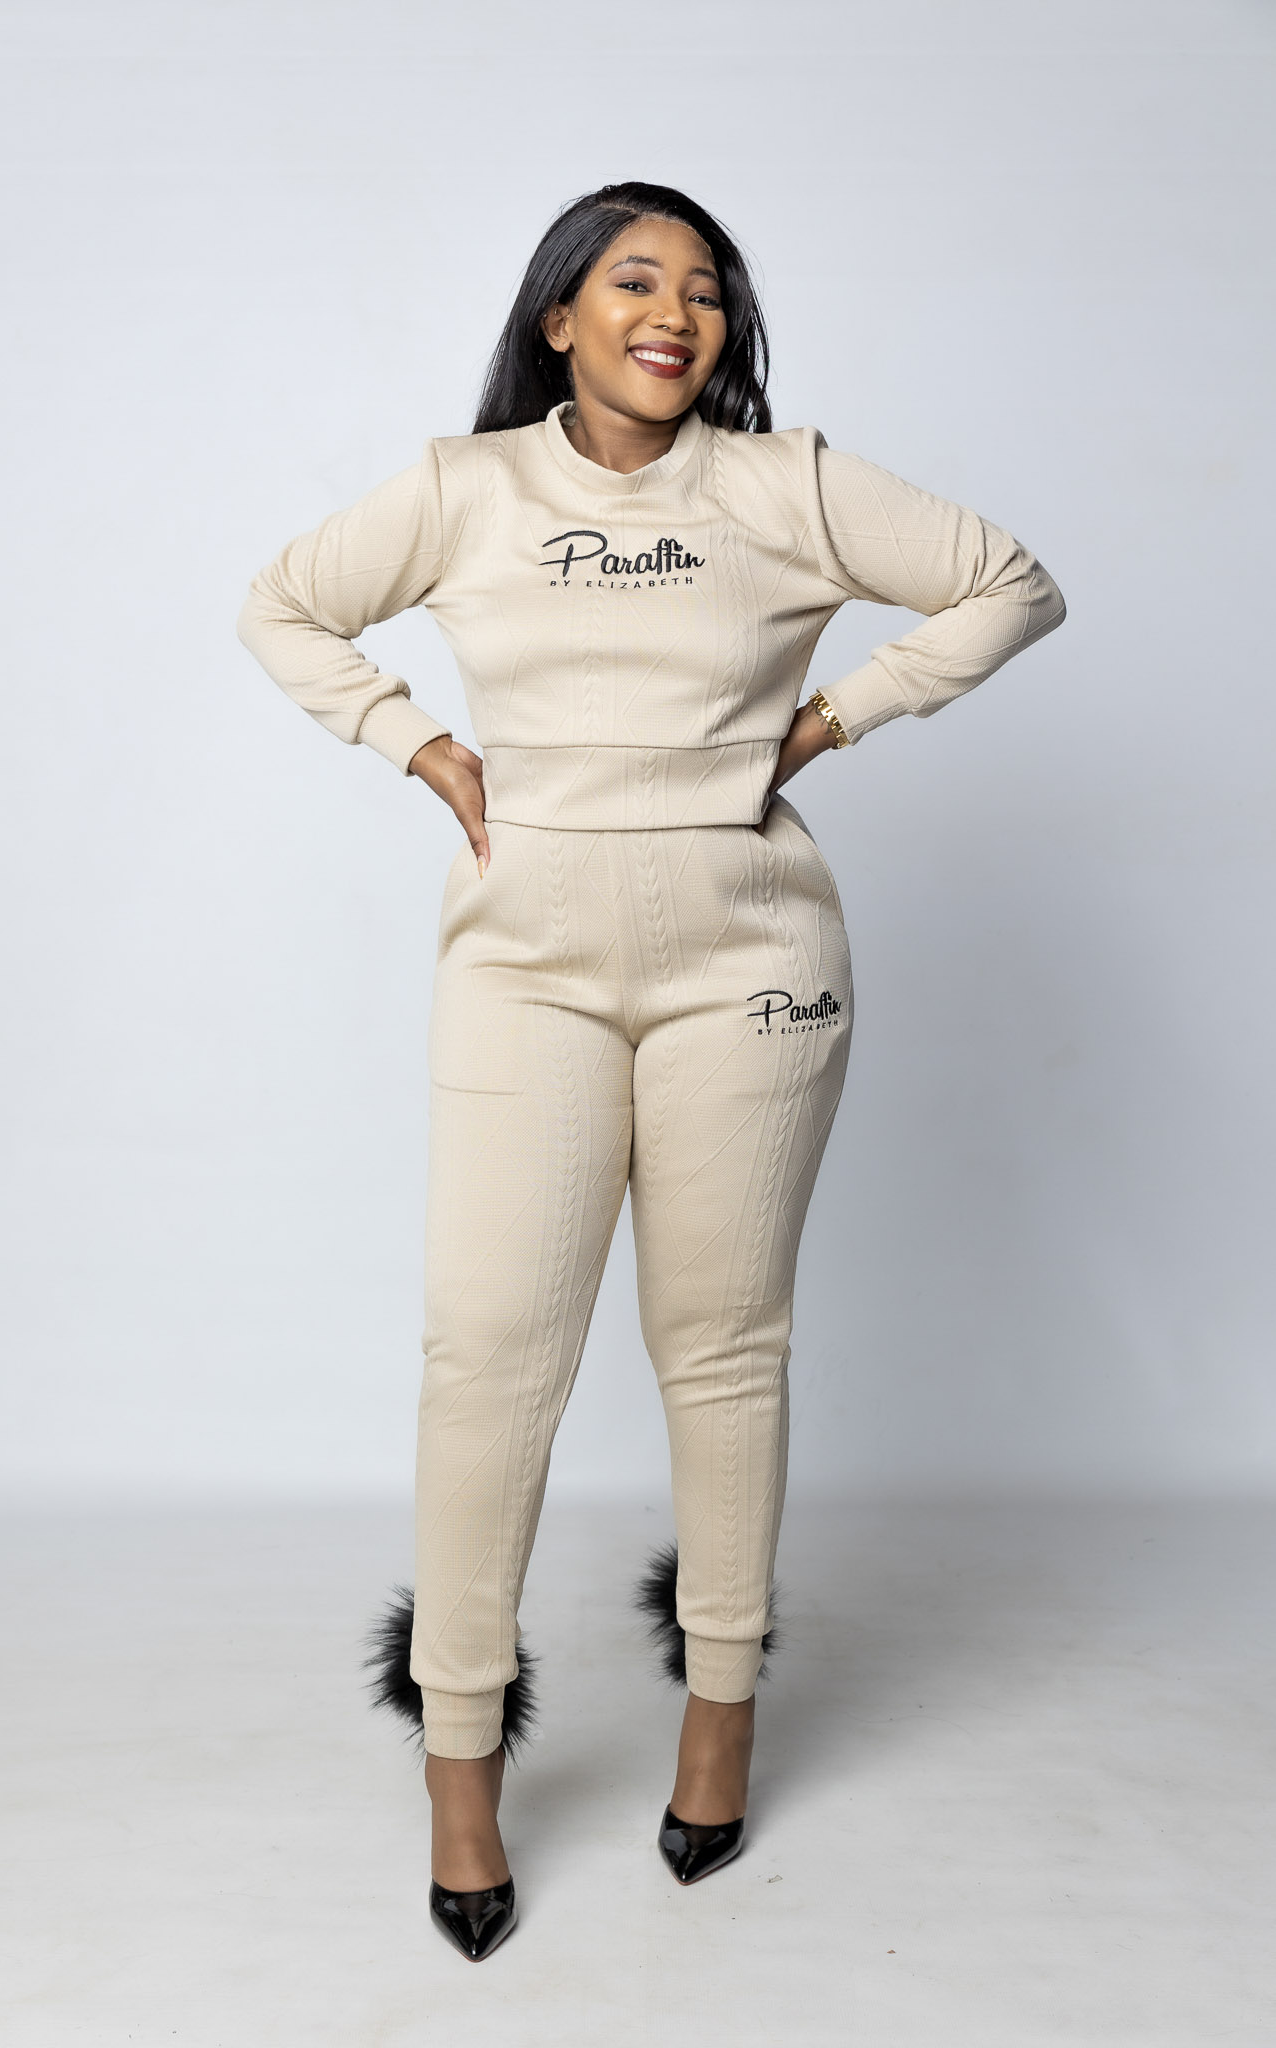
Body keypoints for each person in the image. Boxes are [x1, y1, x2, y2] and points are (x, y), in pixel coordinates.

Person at [235, 179, 1066, 1962]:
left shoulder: (784, 486)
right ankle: (461, 1756)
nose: (675, 313)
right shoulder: (466, 490)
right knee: (487, 1357)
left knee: (722, 1346)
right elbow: (286, 607)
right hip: (521, 970)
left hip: (749, 968)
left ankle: (720, 1718)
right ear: (561, 318)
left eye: (705, 289)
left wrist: (837, 715)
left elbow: (1010, 582)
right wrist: (416, 743)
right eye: (634, 280)